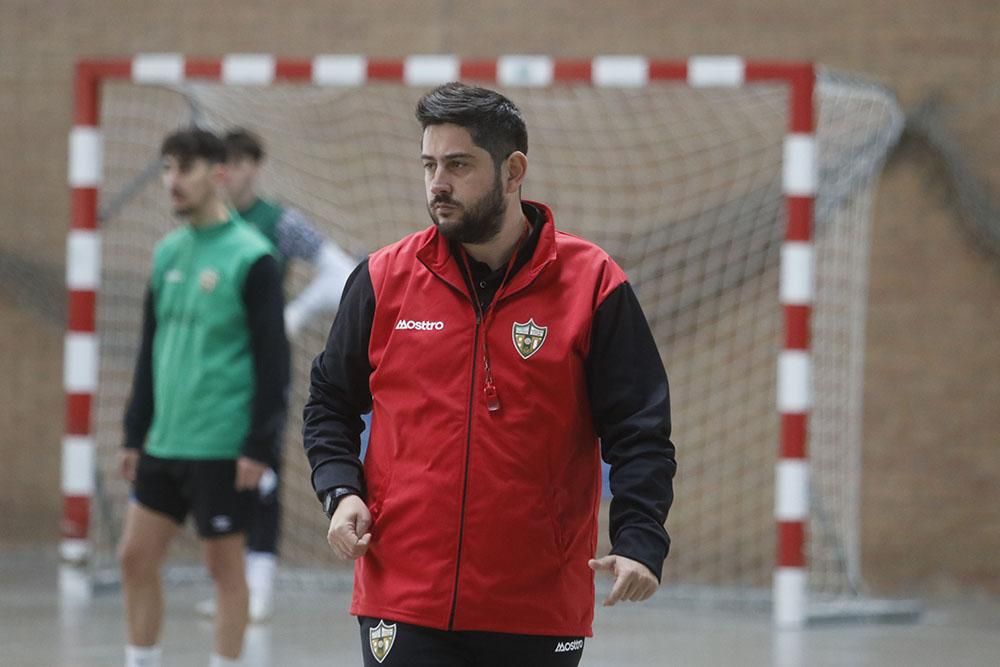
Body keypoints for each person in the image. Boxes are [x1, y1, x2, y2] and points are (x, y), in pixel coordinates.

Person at [303, 82, 677, 667]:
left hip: (536, 606)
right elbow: (329, 400)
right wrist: (340, 488)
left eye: (458, 164)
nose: (437, 184)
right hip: (402, 597)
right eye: (429, 164)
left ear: (513, 170)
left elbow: (640, 429)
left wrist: (639, 539)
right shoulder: (382, 279)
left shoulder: (594, 284)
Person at [117, 126, 289, 667]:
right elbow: (150, 348)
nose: (172, 180)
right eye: (167, 168)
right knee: (133, 558)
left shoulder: (253, 256)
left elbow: (273, 360)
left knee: (224, 572)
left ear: (217, 174)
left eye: (184, 168)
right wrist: (132, 433)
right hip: (165, 441)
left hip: (221, 444)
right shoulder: (167, 251)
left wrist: (259, 444)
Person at [191, 127, 358, 623]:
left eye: (242, 162)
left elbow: (342, 271)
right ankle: (230, 584)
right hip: (215, 367)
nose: (233, 171)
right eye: (226, 162)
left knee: (259, 469)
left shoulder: (277, 222)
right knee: (217, 470)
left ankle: (258, 589)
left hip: (262, 366)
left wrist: (293, 316)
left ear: (254, 167)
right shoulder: (208, 226)